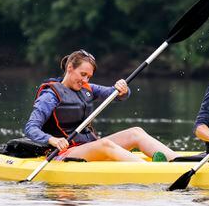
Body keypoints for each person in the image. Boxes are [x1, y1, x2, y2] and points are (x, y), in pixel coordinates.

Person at [25, 49, 176, 162]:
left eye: (89, 77)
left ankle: (177, 161)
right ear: (70, 68)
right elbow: (30, 128)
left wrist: (123, 89)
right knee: (105, 144)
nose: (85, 80)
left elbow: (115, 94)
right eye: (83, 74)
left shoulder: (88, 89)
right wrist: (52, 140)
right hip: (63, 153)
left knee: (136, 132)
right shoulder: (50, 95)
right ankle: (151, 171)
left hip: (88, 146)